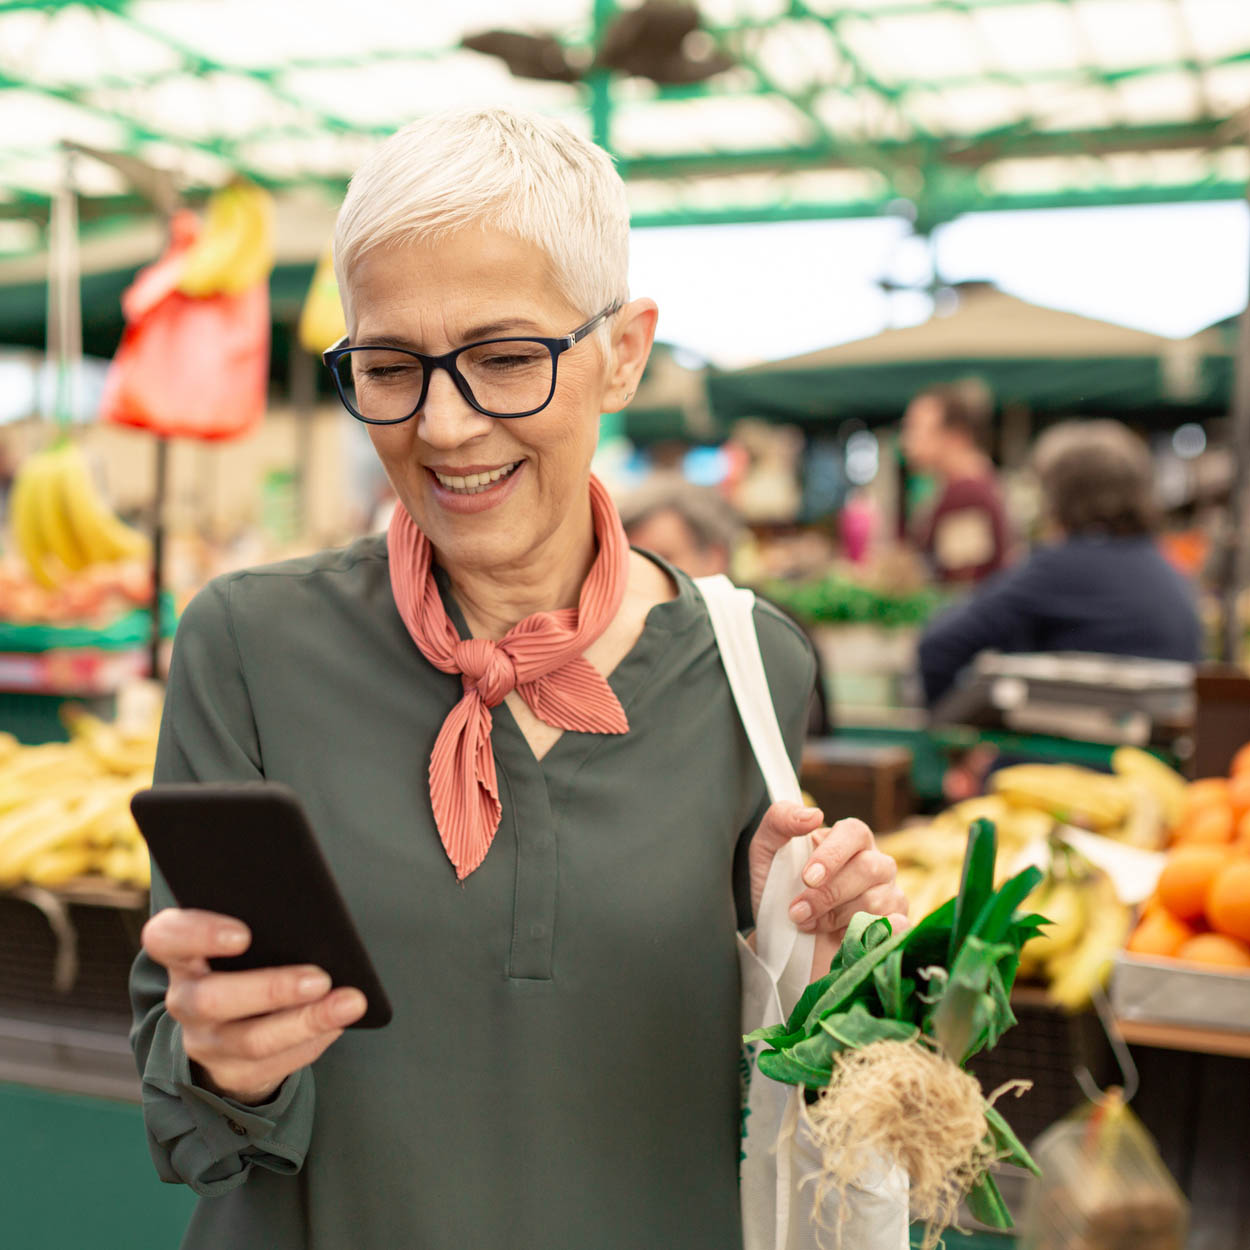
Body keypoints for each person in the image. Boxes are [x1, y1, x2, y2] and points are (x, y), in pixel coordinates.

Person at [129, 109, 905, 1250]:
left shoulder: (753, 665)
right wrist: (217, 1056)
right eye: (390, 366)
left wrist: (823, 962)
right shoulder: (247, 644)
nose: (443, 425)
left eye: (504, 358)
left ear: (622, 351)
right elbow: (189, 1109)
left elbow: (791, 1070)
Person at [917, 419, 1202, 707]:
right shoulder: (1167, 568)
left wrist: (955, 738)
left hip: (1074, 748)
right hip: (1149, 747)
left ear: (1060, 496)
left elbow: (939, 646)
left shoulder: (1063, 567)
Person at [619, 472, 833, 735]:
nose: (641, 575)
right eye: (631, 561)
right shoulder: (623, 639)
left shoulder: (766, 633)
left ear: (714, 557)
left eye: (662, 559)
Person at [901, 378, 1011, 585]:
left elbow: (963, 581)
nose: (907, 440)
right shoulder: (973, 483)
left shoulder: (966, 493)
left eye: (916, 428)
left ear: (956, 435)